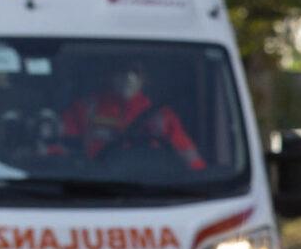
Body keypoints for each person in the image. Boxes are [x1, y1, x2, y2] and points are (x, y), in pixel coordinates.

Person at [59, 58, 204, 170]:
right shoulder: (86, 108)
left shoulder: (161, 117)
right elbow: (58, 148)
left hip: (149, 188)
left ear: (144, 79)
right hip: (93, 185)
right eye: (122, 69)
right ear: (109, 75)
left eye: (135, 71)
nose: (128, 77)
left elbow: (188, 156)